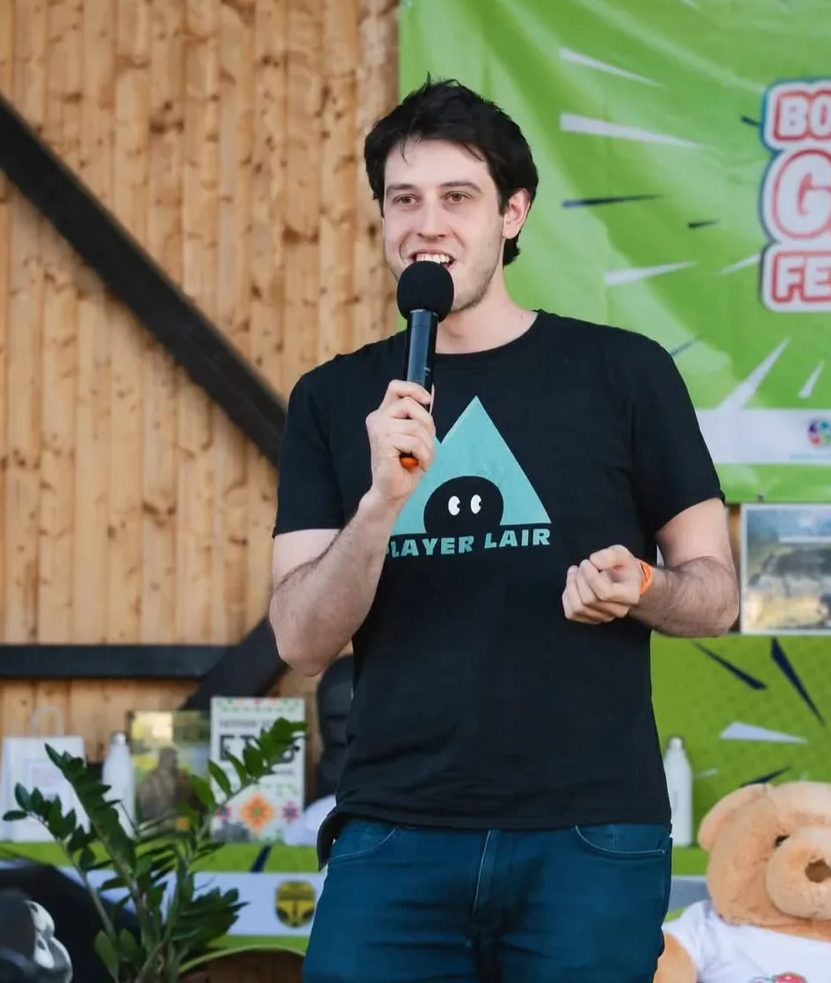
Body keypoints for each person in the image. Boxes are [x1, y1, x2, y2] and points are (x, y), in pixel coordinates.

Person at [268, 77, 740, 983]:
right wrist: (379, 504)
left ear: (512, 214)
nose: (427, 223)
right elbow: (301, 640)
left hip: (589, 836)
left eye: (458, 197)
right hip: (394, 830)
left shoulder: (624, 373)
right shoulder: (331, 398)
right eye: (403, 200)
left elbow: (715, 596)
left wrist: (643, 587)